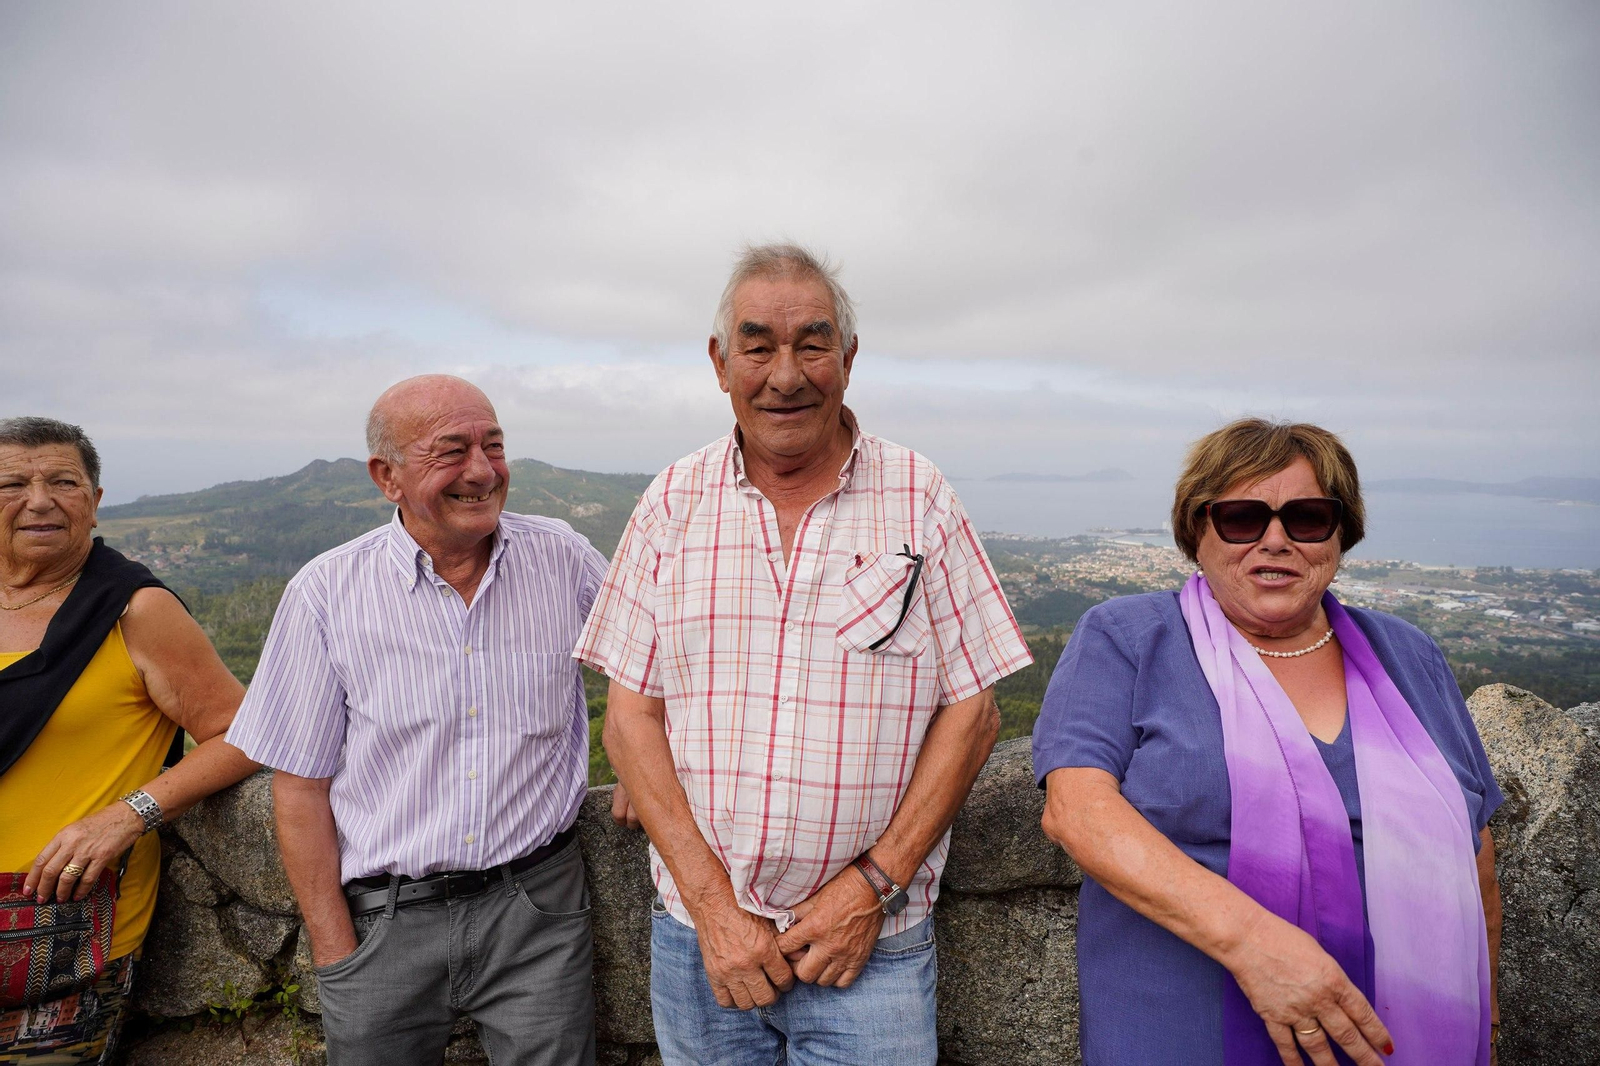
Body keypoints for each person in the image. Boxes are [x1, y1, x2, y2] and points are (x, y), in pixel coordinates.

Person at [575, 244, 1033, 1065]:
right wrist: (714, 908)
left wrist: (869, 889)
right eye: (758, 346)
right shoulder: (672, 503)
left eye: (811, 344)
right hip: (700, 944)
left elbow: (974, 712)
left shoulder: (918, 495)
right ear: (721, 364)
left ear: (848, 361)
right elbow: (631, 716)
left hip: (874, 944)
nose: (785, 374)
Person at [1033, 418, 1504, 1066]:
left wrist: (1488, 1017)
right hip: (1182, 1036)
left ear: (1340, 534)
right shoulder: (1130, 637)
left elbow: (1472, 847)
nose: (1275, 540)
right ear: (1196, 532)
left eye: (1307, 517)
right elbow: (1077, 811)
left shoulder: (1410, 654)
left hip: (1406, 1043)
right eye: (1241, 518)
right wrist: (1257, 947)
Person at [225, 376, 608, 1066]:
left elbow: (657, 671)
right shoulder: (326, 592)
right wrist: (338, 949)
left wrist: (645, 762)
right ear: (386, 476)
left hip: (536, 908)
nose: (483, 471)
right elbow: (299, 786)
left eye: (494, 446)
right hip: (384, 921)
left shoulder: (562, 558)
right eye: (451, 451)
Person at [0, 417, 259, 1063]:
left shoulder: (133, 610)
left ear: (94, 500)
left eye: (64, 481)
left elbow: (246, 731)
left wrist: (130, 814)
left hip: (50, 936)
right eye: (11, 483)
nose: (40, 500)